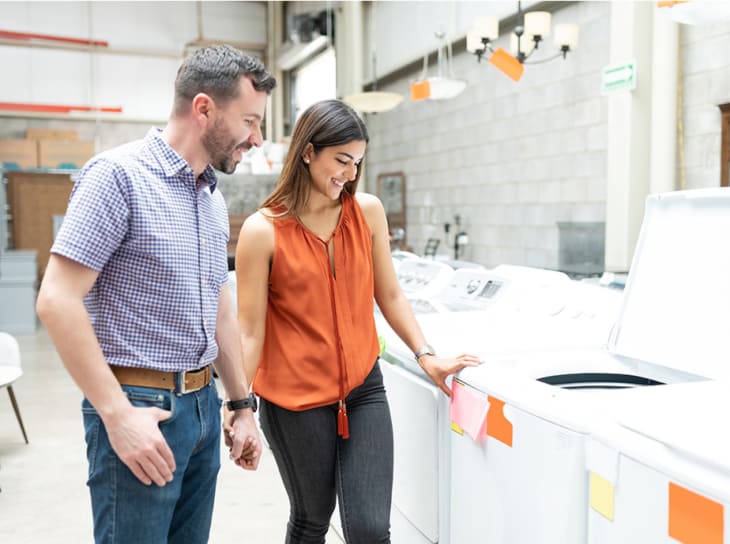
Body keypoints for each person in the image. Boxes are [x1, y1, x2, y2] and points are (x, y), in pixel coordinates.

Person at [36, 45, 276, 543]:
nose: (257, 139)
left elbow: (218, 305)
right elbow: (57, 300)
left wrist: (240, 404)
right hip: (140, 405)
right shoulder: (117, 176)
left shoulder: (209, 196)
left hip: (203, 407)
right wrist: (117, 415)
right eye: (249, 122)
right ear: (204, 108)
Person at [230, 99, 481, 544]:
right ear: (308, 152)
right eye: (341, 160)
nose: (349, 173)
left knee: (368, 528)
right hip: (295, 403)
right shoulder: (262, 231)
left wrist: (427, 356)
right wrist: (239, 406)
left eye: (357, 162)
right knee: (311, 519)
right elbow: (250, 331)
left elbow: (389, 294)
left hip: (363, 389)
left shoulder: (366, 212)